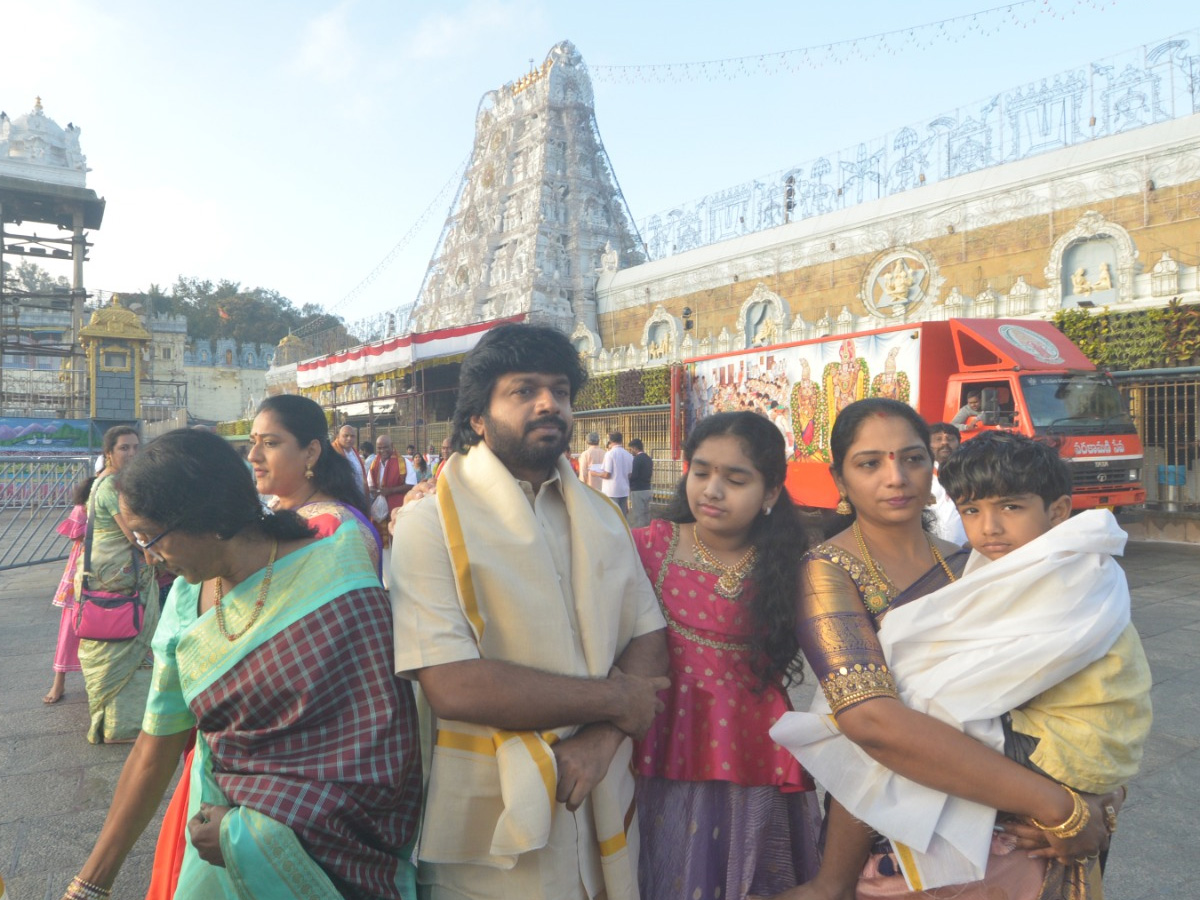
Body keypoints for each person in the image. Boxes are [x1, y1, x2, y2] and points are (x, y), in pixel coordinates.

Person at [764, 398, 1112, 900]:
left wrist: (1099, 796)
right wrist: (1061, 807)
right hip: (906, 833)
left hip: (1022, 830)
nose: (896, 477)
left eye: (912, 458)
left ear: (934, 467)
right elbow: (871, 722)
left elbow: (1066, 682)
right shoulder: (827, 571)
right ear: (840, 480)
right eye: (870, 463)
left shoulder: (974, 559)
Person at [60, 429, 421, 900]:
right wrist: (90, 884)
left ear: (211, 520)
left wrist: (243, 831)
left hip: (321, 856)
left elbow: (383, 743)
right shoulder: (186, 600)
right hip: (217, 849)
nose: (149, 556)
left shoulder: (337, 569)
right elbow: (155, 747)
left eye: (152, 537)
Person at [391, 322, 669, 900]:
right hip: (493, 818)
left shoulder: (603, 516)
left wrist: (600, 740)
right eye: (523, 391)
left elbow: (648, 634)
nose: (549, 404)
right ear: (477, 417)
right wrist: (618, 703)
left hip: (600, 789)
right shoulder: (430, 521)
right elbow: (453, 684)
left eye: (561, 391)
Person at [633, 412, 821, 898]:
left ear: (771, 494)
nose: (712, 490)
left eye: (735, 479)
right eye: (701, 472)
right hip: (661, 738)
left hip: (751, 750)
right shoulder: (650, 546)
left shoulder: (794, 570)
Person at [76, 425, 160, 745]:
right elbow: (136, 536)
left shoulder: (104, 482)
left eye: (137, 447)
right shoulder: (112, 486)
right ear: (108, 453)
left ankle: (110, 723)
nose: (132, 454)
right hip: (117, 577)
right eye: (124, 448)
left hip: (101, 573)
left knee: (114, 648)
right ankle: (119, 727)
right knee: (125, 647)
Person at [249, 395, 381, 575]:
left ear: (311, 452)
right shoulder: (273, 509)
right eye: (253, 442)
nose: (252, 456)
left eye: (269, 443)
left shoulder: (336, 530)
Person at [43, 477, 94, 705]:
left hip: (112, 572)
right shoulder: (84, 505)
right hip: (81, 575)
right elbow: (78, 534)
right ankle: (59, 681)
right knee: (70, 627)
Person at [927, 422, 967, 545]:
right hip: (932, 549)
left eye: (950, 439)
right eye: (938, 439)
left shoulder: (970, 474)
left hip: (966, 550)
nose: (945, 443)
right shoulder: (919, 477)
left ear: (959, 444)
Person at [599, 431, 634, 515]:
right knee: (622, 516)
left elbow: (607, 474)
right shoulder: (628, 455)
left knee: (612, 515)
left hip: (611, 490)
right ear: (621, 441)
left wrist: (595, 473)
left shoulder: (609, 454)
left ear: (610, 441)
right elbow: (630, 474)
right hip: (624, 489)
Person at [333, 424, 369, 497]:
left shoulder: (354, 453)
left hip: (359, 495)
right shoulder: (333, 453)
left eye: (352, 436)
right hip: (342, 496)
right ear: (338, 437)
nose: (349, 439)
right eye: (346, 436)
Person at [627, 438, 653, 528]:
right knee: (646, 515)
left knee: (638, 516)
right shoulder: (648, 458)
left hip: (638, 490)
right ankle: (648, 533)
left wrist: (628, 477)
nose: (631, 452)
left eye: (631, 449)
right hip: (647, 489)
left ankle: (640, 535)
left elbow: (634, 475)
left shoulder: (637, 459)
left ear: (635, 448)